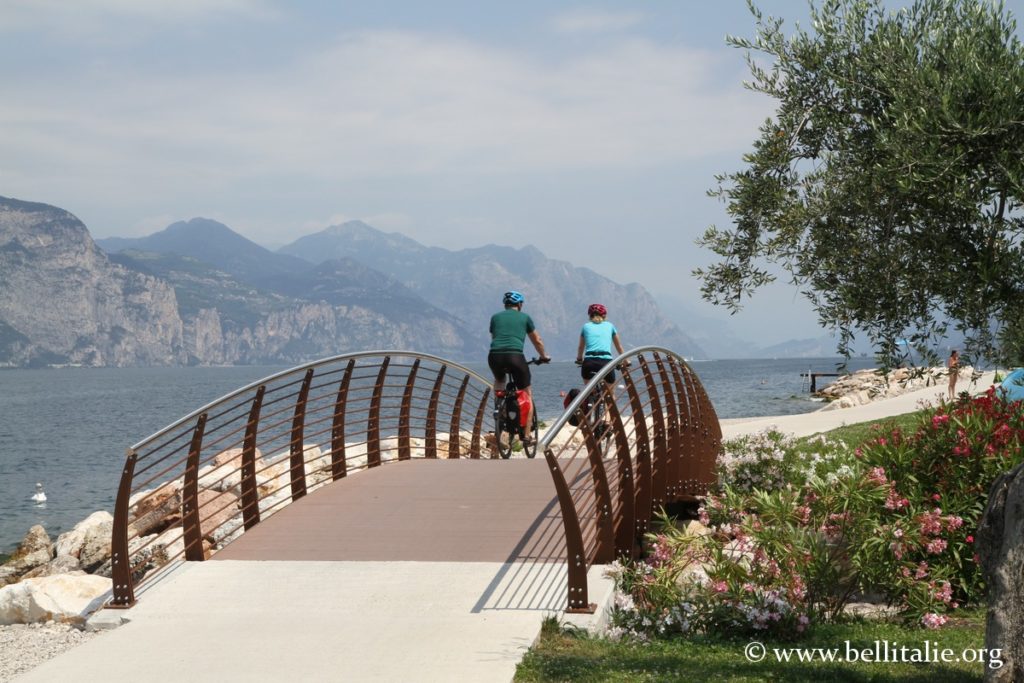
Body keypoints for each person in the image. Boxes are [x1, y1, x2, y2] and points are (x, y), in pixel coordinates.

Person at [488, 291, 550, 441]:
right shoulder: (525, 317)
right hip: (515, 357)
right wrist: (544, 356)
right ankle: (527, 435)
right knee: (527, 394)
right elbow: (537, 340)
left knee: (499, 382)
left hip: (494, 356)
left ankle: (499, 408)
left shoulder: (495, 317)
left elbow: (494, 336)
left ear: (505, 305)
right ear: (520, 304)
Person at [575, 303, 626, 385]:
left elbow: (581, 347)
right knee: (610, 394)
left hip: (589, 362)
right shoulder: (610, 326)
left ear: (590, 316)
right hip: (606, 363)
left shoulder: (586, 326)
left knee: (589, 393)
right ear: (604, 315)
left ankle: (591, 396)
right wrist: (626, 360)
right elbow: (619, 347)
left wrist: (579, 359)